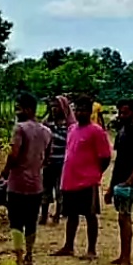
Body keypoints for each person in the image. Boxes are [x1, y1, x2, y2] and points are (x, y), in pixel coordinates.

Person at [53, 96, 113, 261]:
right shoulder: (72, 129)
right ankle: (68, 246)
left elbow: (105, 157)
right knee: (71, 215)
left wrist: (95, 173)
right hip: (70, 180)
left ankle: (91, 249)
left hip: (87, 180)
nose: (80, 113)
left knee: (90, 215)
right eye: (77, 110)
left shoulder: (96, 131)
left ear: (90, 111)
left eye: (83, 110)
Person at [0, 93, 53, 265]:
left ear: (28, 109)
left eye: (19, 107)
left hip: (17, 183)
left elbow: (14, 154)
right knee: (31, 222)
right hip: (36, 184)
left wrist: (6, 171)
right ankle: (29, 254)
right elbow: (47, 158)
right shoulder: (47, 132)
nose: (17, 111)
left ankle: (19, 260)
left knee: (16, 221)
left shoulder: (19, 128)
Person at [105, 99, 133, 265]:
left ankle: (126, 259)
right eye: (120, 112)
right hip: (120, 180)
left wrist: (130, 181)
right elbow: (118, 162)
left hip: (129, 182)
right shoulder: (122, 132)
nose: (122, 115)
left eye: (125, 112)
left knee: (125, 218)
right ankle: (122, 255)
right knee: (121, 218)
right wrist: (111, 186)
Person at [41, 96, 75, 225]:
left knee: (60, 189)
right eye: (52, 106)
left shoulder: (69, 125)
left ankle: (58, 214)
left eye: (57, 106)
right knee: (45, 188)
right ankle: (44, 214)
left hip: (63, 162)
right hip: (48, 162)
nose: (54, 109)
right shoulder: (46, 122)